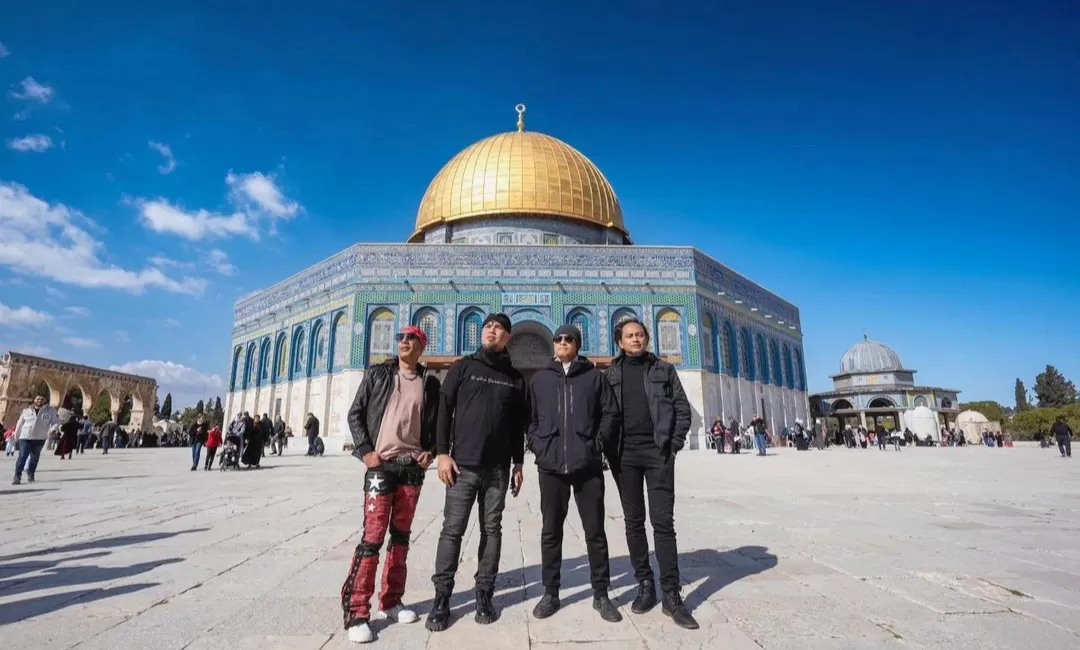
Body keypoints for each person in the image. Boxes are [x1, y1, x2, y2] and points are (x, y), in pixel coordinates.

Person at [340, 324, 441, 644]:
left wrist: (432, 452)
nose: (405, 341)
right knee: (372, 538)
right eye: (402, 337)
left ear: (422, 345)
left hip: (411, 469)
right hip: (381, 466)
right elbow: (355, 414)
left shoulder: (429, 383)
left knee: (401, 539)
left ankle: (391, 600)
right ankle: (357, 610)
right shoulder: (378, 375)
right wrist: (366, 452)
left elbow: (437, 425)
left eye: (412, 338)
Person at [426, 313, 527, 632]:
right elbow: (444, 410)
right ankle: (442, 597)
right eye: (487, 326)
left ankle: (484, 593)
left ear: (508, 337)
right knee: (452, 531)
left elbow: (516, 426)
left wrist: (519, 462)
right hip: (462, 466)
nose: (491, 330)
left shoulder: (515, 378)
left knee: (492, 530)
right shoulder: (463, 367)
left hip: (497, 470)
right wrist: (442, 453)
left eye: (498, 328)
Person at [604, 317, 698, 630]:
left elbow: (682, 409)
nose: (636, 339)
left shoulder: (663, 369)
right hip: (624, 458)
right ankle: (645, 584)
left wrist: (673, 446)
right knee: (634, 523)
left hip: (658, 455)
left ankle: (672, 594)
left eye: (640, 334)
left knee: (663, 523)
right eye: (630, 335)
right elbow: (602, 414)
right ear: (619, 341)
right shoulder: (611, 373)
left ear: (647, 338)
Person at [527, 324, 621, 623]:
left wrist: (597, 444)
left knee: (595, 532)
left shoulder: (594, 377)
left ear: (577, 344)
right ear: (553, 344)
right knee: (551, 531)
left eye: (569, 339)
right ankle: (551, 592)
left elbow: (610, 413)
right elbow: (530, 419)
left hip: (587, 466)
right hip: (551, 466)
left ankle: (601, 593)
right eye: (558, 339)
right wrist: (539, 446)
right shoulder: (540, 378)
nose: (563, 342)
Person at [13, 395, 60, 485]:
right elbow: (20, 422)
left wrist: (52, 429)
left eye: (42, 399)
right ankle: (17, 476)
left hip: (39, 437)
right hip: (25, 436)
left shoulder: (50, 410)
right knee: (22, 456)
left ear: (45, 400)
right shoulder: (26, 410)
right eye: (38, 398)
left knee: (34, 457)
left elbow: (56, 421)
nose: (39, 400)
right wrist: (16, 434)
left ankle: (31, 473)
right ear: (34, 400)